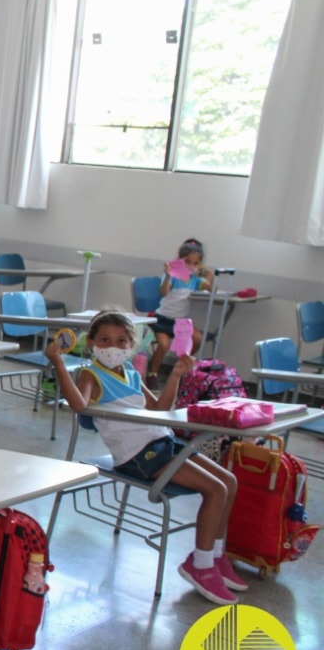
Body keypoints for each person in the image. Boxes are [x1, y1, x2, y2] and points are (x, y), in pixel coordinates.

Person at [44, 310, 242, 605]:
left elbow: (160, 409)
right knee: (216, 490)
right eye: (106, 340)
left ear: (131, 346)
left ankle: (214, 556)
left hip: (161, 441)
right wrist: (58, 362)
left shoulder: (132, 373)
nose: (113, 346)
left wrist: (175, 375)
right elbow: (78, 405)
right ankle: (199, 566)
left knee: (230, 480)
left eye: (122, 341)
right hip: (138, 455)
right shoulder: (91, 374)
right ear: (93, 343)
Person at [147, 238, 213, 388]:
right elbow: (163, 292)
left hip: (181, 322)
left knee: (197, 338)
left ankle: (179, 369)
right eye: (187, 262)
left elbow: (210, 289)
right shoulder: (173, 276)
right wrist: (168, 275)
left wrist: (209, 275)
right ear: (179, 260)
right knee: (163, 345)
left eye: (196, 263)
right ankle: (152, 373)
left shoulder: (195, 280)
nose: (191, 266)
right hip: (162, 319)